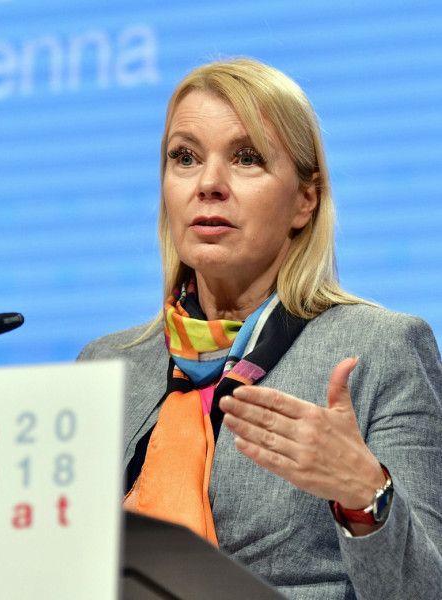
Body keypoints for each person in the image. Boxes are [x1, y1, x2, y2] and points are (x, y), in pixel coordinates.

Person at [78, 58, 442, 599]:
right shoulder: (106, 366)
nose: (208, 184)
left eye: (246, 158)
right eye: (184, 157)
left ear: (305, 200)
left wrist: (365, 493)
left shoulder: (379, 350)